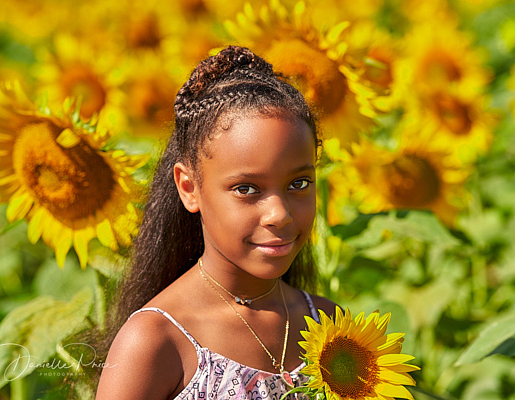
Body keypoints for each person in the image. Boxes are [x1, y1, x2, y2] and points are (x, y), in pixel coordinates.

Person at [95, 45, 336, 399]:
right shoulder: (156, 342)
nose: (279, 214)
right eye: (246, 189)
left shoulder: (332, 330)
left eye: (299, 184)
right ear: (189, 188)